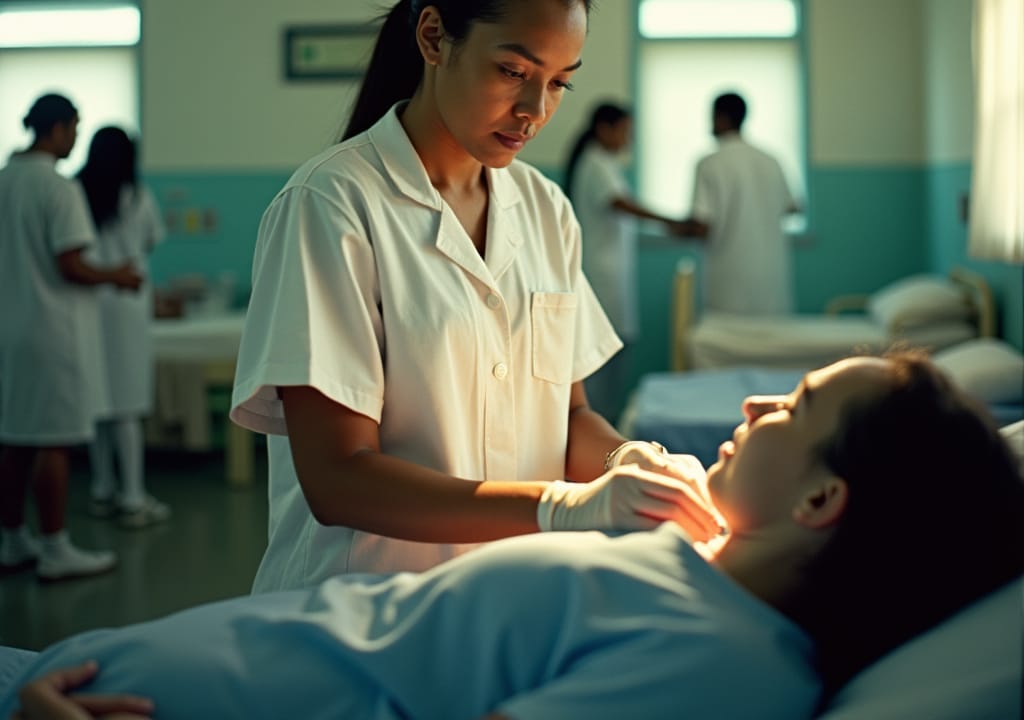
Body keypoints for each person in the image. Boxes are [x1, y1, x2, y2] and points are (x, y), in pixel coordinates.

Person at [3, 351, 1022, 719]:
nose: (755, 401)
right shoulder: (690, 572)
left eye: (795, 403)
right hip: (100, 668)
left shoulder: (721, 665)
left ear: (819, 503)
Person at [230, 0, 719, 591]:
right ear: (434, 37)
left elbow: (570, 415)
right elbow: (339, 478)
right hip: (357, 610)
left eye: (559, 82)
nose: (534, 108)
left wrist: (628, 463)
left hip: (500, 602)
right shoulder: (333, 203)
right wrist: (558, 506)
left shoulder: (545, 210)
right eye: (512, 70)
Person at [0, 94, 142, 583]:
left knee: (16, 436)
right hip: (50, 329)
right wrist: (118, 277)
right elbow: (71, 264)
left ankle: (14, 538)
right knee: (53, 441)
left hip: (10, 329)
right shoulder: (56, 188)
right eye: (74, 128)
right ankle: (56, 546)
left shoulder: (4, 181)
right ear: (57, 129)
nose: (76, 137)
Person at [563, 101, 687, 422]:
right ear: (605, 129)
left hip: (610, 274)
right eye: (624, 132)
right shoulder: (595, 164)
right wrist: (670, 221)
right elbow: (621, 204)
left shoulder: (604, 162)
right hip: (601, 277)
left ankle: (603, 421)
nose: (628, 140)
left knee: (611, 354)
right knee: (602, 360)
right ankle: (597, 424)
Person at [76, 127, 170, 530]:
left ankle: (102, 491)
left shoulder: (77, 194)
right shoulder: (138, 197)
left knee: (99, 402)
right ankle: (133, 497)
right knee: (128, 406)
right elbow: (150, 242)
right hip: (129, 303)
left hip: (91, 302)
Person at [679, 91, 799, 315]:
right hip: (771, 280)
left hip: (728, 282)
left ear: (721, 117)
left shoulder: (709, 163)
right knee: (773, 345)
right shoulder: (771, 160)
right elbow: (793, 207)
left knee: (728, 344)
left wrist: (675, 227)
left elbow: (701, 225)